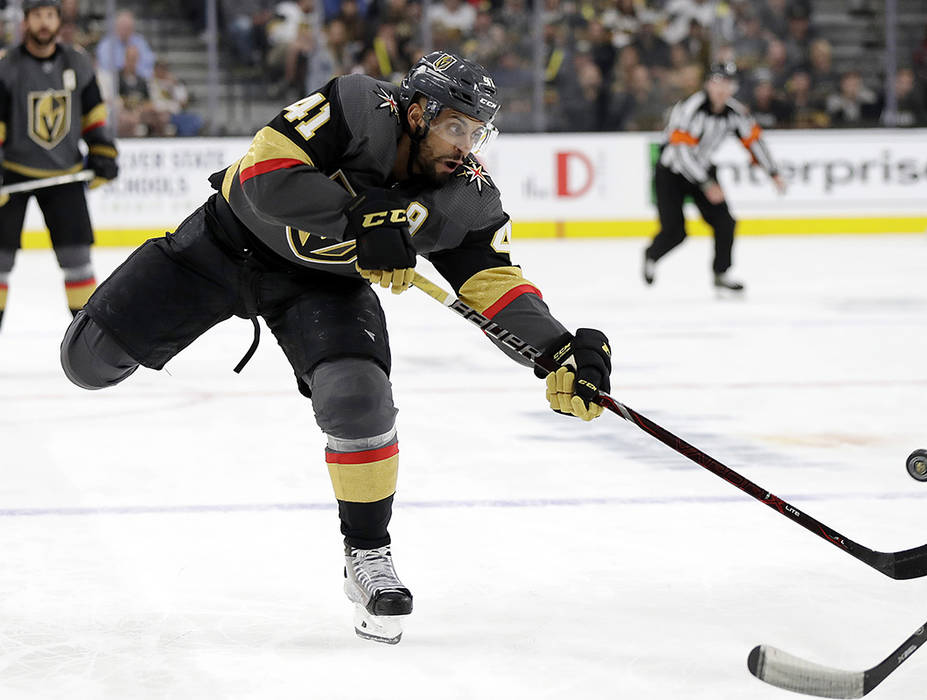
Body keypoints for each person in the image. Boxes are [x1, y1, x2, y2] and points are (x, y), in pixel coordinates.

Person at [58, 52, 613, 645]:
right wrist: (360, 218)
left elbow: (494, 284)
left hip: (321, 287)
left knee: (360, 401)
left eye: (478, 132)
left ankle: (368, 557)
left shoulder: (465, 197)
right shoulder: (355, 106)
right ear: (419, 113)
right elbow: (263, 177)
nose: (466, 145)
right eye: (457, 126)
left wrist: (557, 350)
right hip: (221, 247)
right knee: (86, 363)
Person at [0, 0, 118, 329]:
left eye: (49, 15)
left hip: (65, 175)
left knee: (78, 261)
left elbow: (94, 113)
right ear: (26, 22)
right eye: (36, 15)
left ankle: (88, 340)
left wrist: (102, 152)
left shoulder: (76, 62)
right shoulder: (7, 66)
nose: (43, 22)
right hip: (13, 174)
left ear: (57, 20)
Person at [643, 62, 785, 292]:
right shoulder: (689, 108)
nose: (721, 88)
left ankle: (721, 273)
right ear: (708, 84)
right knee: (675, 232)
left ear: (734, 87)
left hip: (702, 171)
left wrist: (773, 172)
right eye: (717, 82)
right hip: (671, 173)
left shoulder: (735, 113)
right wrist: (707, 183)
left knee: (725, 222)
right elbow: (680, 152)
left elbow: (754, 141)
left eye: (727, 83)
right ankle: (651, 255)